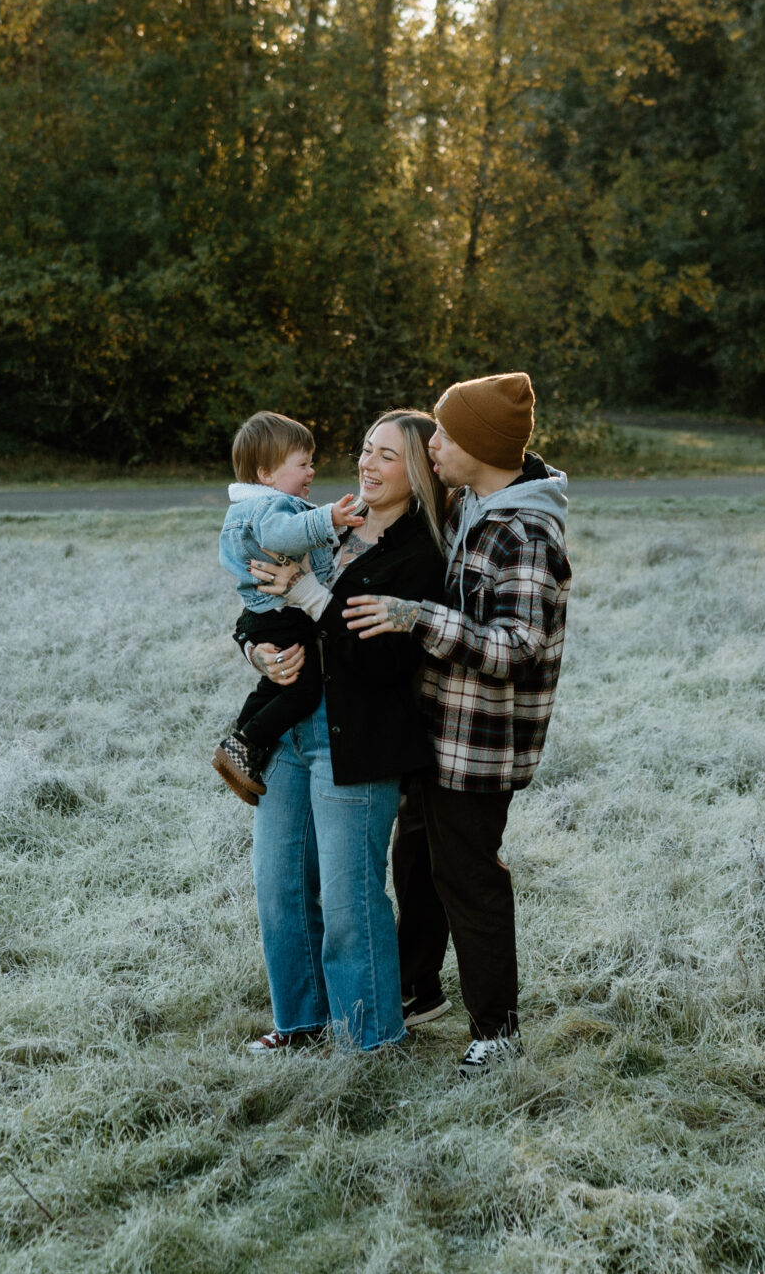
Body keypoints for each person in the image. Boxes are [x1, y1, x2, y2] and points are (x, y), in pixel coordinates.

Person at [342, 372, 570, 1077]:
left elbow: (516, 645)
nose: (429, 444)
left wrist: (420, 618)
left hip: (481, 746)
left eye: (442, 433)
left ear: (478, 444)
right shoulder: (473, 503)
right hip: (435, 730)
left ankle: (497, 1031)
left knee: (467, 875)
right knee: (415, 859)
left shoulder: (525, 531)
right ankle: (416, 990)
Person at [235, 411, 452, 1053]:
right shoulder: (327, 526)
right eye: (365, 449)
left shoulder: (419, 555)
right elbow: (256, 604)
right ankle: (301, 1026)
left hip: (356, 741)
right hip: (288, 734)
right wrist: (257, 653)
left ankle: (368, 1040)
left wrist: (309, 595)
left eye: (387, 456)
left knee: (350, 904)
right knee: (279, 889)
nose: (368, 464)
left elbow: (387, 662)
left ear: (415, 474)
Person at [213, 411, 360, 802]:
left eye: (311, 463)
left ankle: (241, 748)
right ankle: (247, 742)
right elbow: (286, 534)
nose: (311, 472)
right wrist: (327, 518)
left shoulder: (248, 508)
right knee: (305, 690)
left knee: (275, 683)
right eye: (302, 464)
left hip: (263, 616)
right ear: (266, 474)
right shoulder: (270, 510)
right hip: (282, 613)